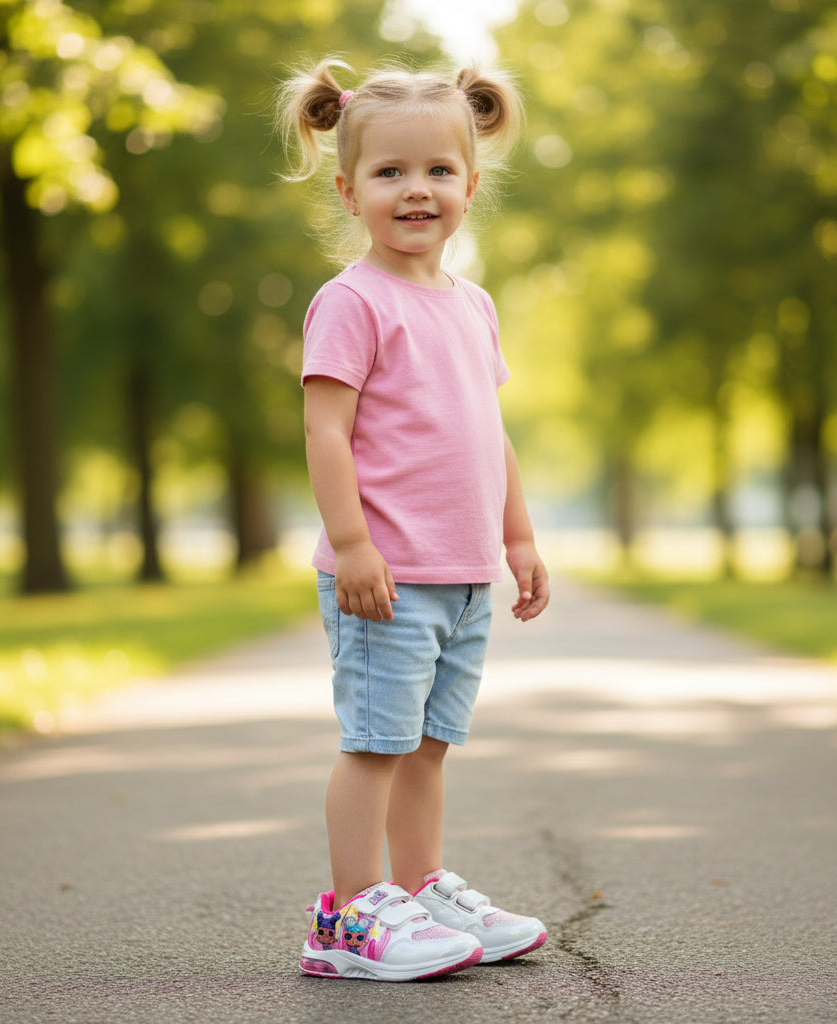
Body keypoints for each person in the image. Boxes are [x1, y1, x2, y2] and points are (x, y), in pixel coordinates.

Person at [277, 57, 551, 982]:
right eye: (390, 173)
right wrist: (352, 543)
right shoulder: (352, 302)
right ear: (349, 190)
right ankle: (348, 918)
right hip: (386, 575)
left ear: (471, 184)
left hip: (463, 573)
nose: (416, 190)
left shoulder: (471, 305)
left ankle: (421, 886)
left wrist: (516, 537)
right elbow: (325, 427)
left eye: (437, 170)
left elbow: (489, 430)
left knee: (429, 746)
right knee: (374, 744)